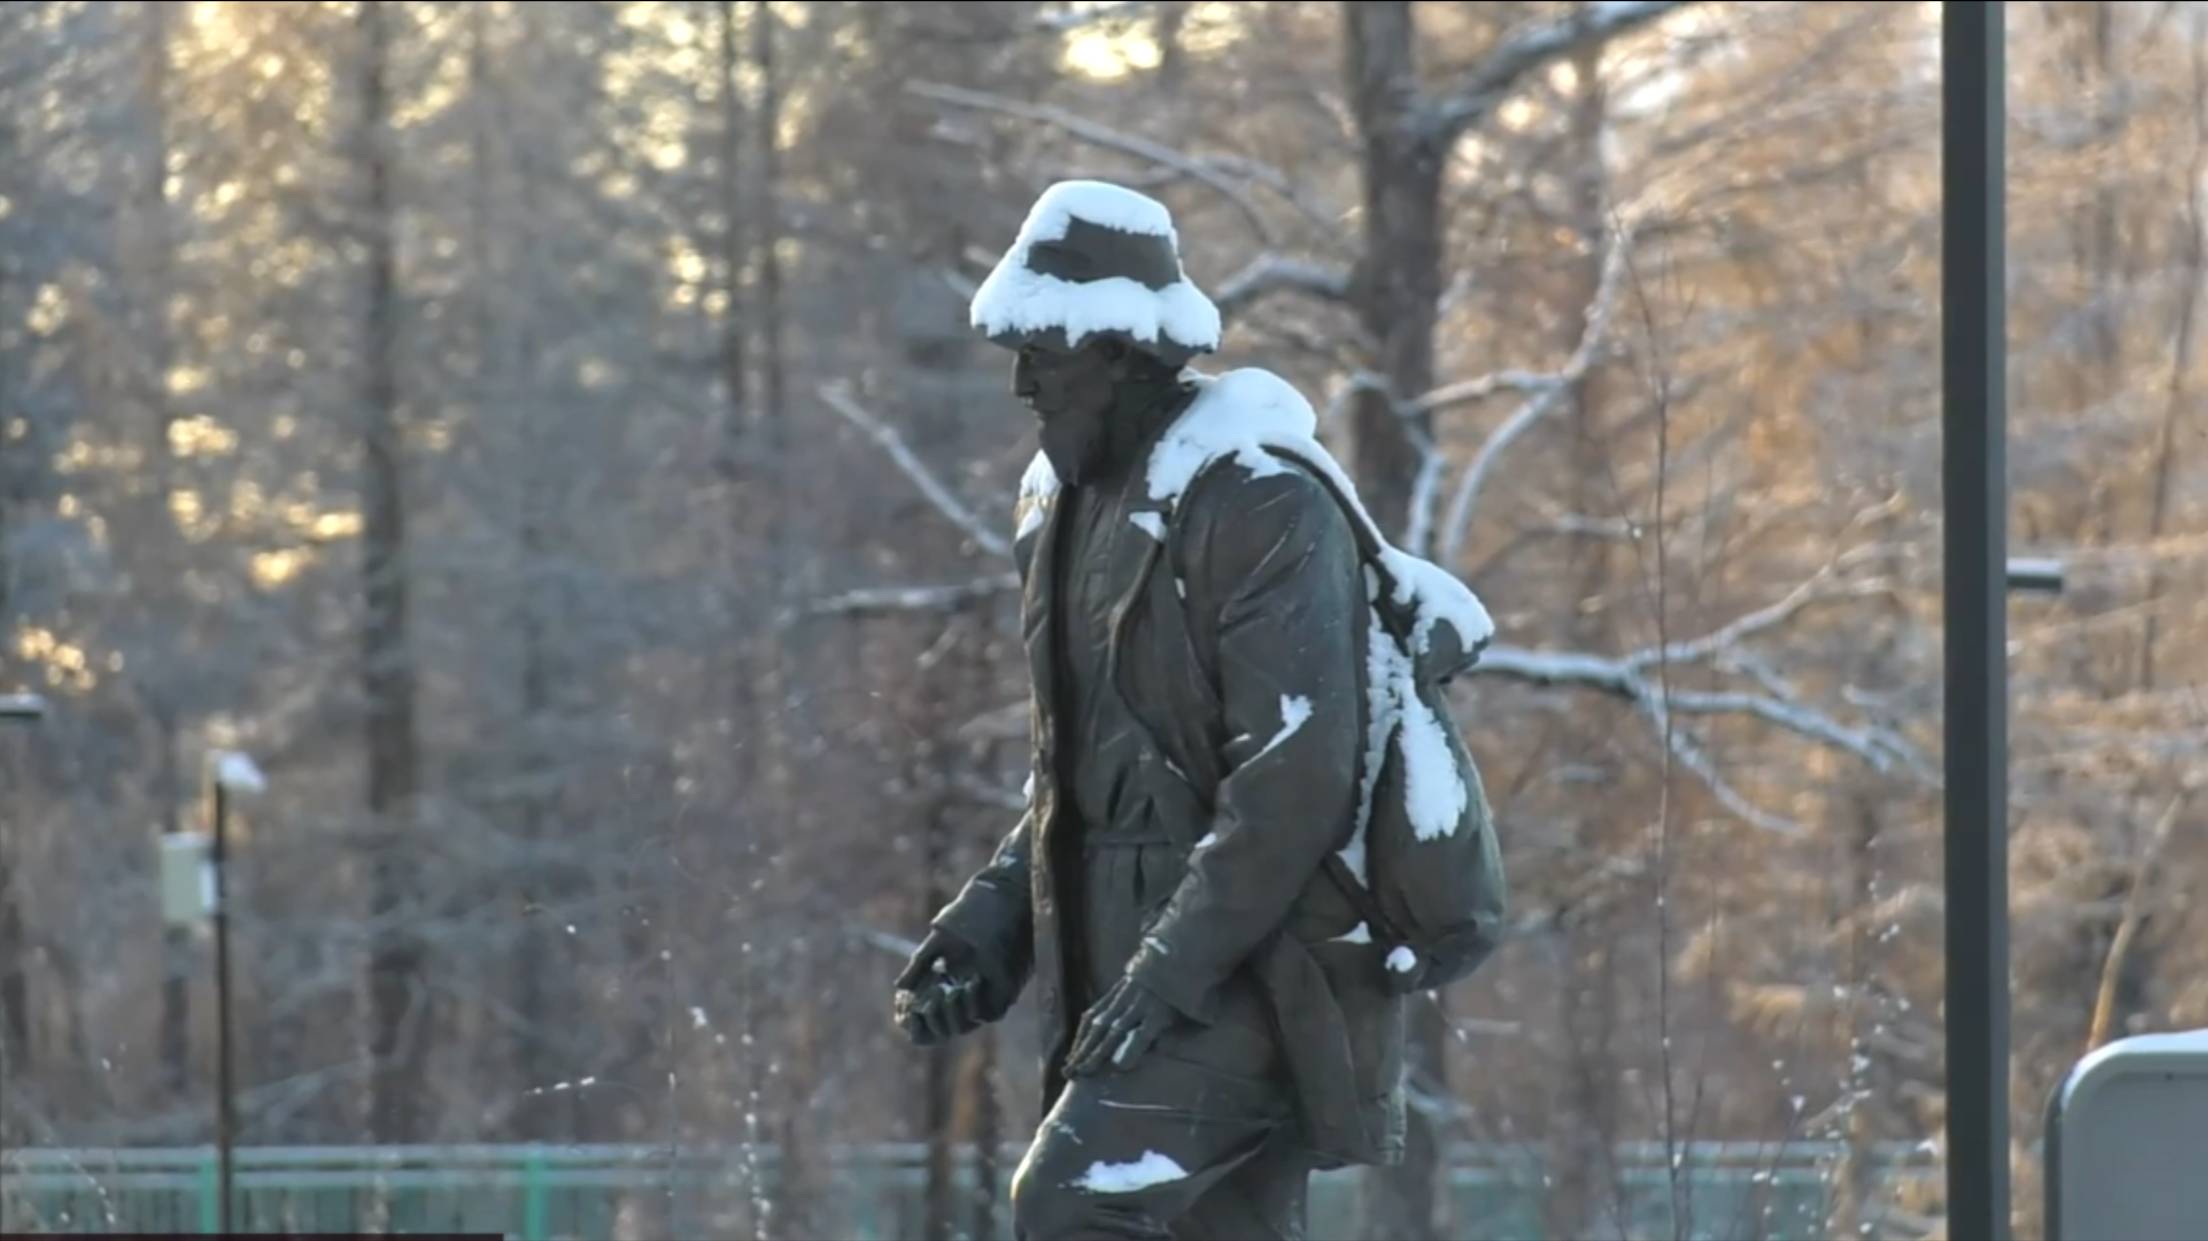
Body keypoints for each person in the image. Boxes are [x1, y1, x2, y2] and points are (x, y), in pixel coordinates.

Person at [891, 180, 1410, 1241]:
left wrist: (1167, 972)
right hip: (1118, 949)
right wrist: (993, 924)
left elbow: (1295, 779)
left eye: (1045, 351)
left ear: (1122, 348)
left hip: (1255, 958)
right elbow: (1079, 765)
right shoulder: (1062, 501)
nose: (1023, 382)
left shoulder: (1260, 496)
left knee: (1071, 1203)